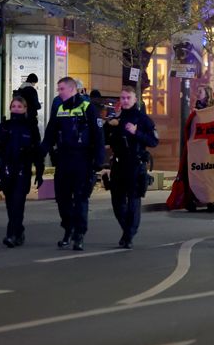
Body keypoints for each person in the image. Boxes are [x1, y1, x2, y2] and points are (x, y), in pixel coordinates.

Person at [41, 76, 105, 251]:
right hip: (64, 160)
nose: (59, 92)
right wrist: (40, 153)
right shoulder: (60, 108)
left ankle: (79, 235)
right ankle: (68, 229)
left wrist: (99, 160)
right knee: (62, 199)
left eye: (61, 89)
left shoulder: (88, 108)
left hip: (82, 160)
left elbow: (98, 136)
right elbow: (50, 134)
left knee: (80, 199)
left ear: (72, 89)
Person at [100, 86, 159, 249]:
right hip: (118, 164)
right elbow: (106, 139)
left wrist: (136, 132)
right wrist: (109, 125)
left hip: (135, 163)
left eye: (128, 98)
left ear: (135, 99)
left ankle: (129, 234)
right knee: (117, 201)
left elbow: (153, 141)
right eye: (122, 98)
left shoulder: (142, 119)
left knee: (133, 200)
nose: (125, 101)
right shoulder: (116, 117)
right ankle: (128, 230)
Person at [0, 96, 43, 247]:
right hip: (6, 169)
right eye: (14, 106)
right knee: (10, 204)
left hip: (23, 170)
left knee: (18, 203)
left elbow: (37, 152)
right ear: (10, 108)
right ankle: (19, 231)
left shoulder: (31, 127)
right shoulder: (5, 126)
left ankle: (11, 235)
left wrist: (39, 172)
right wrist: (1, 137)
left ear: (25, 109)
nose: (16, 109)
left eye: (20, 106)